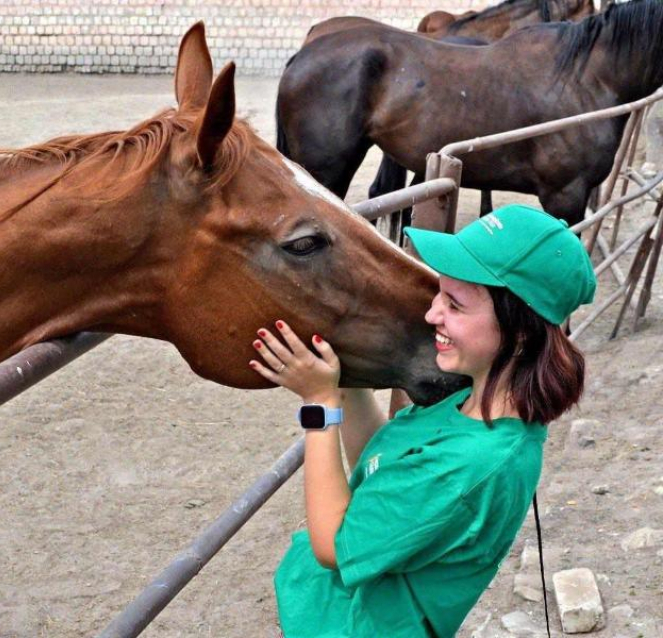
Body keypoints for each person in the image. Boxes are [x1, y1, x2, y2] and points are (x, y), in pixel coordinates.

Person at [248, 204, 597, 637]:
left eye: (455, 305)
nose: (433, 314)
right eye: (439, 294)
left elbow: (332, 544)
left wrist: (319, 405)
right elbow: (387, 470)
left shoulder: (467, 467)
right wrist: (351, 383)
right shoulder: (475, 400)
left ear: (521, 331)